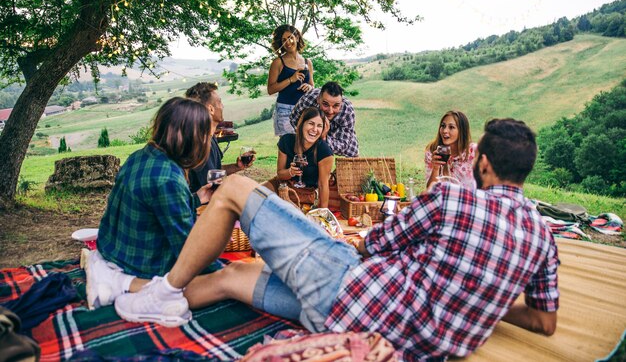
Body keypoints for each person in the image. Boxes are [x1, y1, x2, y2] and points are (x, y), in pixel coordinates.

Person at [110, 118, 559, 361]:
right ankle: (134, 292)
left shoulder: (453, 198)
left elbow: (377, 243)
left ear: (481, 162)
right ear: (525, 171)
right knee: (233, 274)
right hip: (350, 329)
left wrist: (352, 243)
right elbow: (543, 322)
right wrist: (484, 295)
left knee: (233, 190)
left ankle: (163, 292)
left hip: (346, 289)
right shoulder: (544, 239)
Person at [84, 97, 218, 309]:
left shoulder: (139, 156)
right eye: (207, 135)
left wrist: (196, 198)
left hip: (113, 249)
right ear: (193, 138)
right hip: (141, 264)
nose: (208, 141)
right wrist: (222, 271)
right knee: (221, 282)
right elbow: (188, 250)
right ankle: (125, 285)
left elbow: (154, 207)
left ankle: (110, 276)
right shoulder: (169, 179)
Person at [185, 82, 254, 193]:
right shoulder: (201, 142)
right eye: (220, 102)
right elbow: (210, 185)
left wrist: (236, 166)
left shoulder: (209, 136)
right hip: (200, 206)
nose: (222, 106)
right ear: (210, 109)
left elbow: (212, 173)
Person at [263, 107, 333, 208]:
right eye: (311, 123)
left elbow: (323, 185)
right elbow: (280, 174)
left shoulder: (324, 150)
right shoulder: (286, 141)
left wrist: (323, 213)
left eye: (319, 126)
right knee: (254, 195)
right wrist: (290, 172)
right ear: (301, 123)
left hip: (304, 195)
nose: (314, 129)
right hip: (282, 186)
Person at [267, 25, 315, 136]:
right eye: (284, 40)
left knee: (304, 146)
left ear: (297, 37)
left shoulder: (308, 62)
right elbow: (271, 89)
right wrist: (291, 79)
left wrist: (309, 87)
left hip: (305, 109)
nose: (288, 42)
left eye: (290, 37)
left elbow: (312, 86)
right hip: (285, 111)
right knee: (288, 146)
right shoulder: (278, 62)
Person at [290, 81, 358, 157]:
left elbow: (344, 145)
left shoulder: (347, 110)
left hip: (336, 130)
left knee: (352, 152)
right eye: (325, 104)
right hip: (311, 128)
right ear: (318, 99)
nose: (330, 111)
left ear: (341, 103)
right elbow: (294, 119)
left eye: (336, 106)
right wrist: (309, 137)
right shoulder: (308, 100)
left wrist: (324, 137)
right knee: (306, 150)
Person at [425, 110, 477, 190]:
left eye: (451, 127)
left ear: (461, 131)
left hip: (468, 200)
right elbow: (430, 191)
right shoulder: (433, 151)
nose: (444, 131)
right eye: (443, 126)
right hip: (444, 201)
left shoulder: (473, 151)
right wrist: (435, 168)